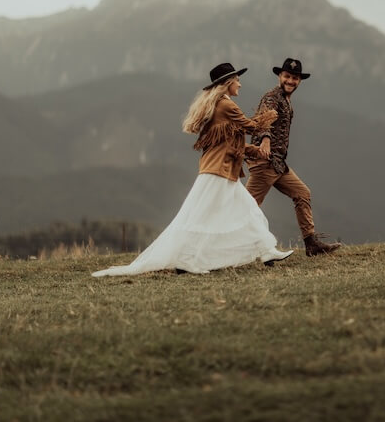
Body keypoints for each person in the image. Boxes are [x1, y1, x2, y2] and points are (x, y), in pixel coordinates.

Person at [92, 63, 293, 277]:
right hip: (218, 172)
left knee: (248, 210)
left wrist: (255, 151)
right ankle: (190, 259)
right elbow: (252, 127)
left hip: (221, 170)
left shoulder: (219, 105)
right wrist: (272, 117)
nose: (240, 84)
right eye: (237, 80)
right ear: (228, 83)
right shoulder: (227, 106)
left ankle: (266, 251)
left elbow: (231, 144)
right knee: (202, 217)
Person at [246, 58, 341, 257]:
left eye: (295, 78)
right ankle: (218, 247)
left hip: (278, 164)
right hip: (264, 162)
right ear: (280, 76)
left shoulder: (286, 100)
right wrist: (265, 139)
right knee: (246, 206)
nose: (290, 81)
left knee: (302, 193)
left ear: (299, 81)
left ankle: (311, 243)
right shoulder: (272, 97)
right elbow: (264, 117)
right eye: (287, 76)